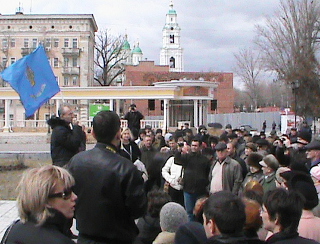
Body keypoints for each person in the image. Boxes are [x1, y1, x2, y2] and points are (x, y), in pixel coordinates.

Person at [66, 110, 147, 244]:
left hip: (85, 236)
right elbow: (138, 209)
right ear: (118, 134)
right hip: (118, 237)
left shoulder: (76, 161)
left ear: (93, 133)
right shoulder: (126, 168)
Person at [2, 165, 77, 244]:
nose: (75, 197)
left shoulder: (13, 229)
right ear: (45, 200)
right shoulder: (61, 241)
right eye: (66, 194)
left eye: (73, 190)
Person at [174, 139, 210, 221]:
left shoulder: (205, 160)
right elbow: (177, 160)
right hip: (188, 189)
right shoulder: (187, 157)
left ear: (200, 147)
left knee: (200, 212)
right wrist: (179, 149)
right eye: (192, 145)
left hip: (201, 190)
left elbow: (208, 173)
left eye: (196, 145)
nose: (194, 147)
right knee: (189, 212)